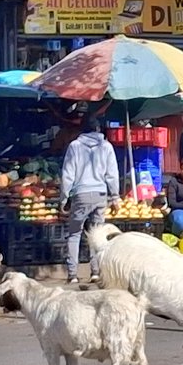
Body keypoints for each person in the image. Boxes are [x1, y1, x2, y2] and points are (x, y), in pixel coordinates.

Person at [59, 116, 120, 285]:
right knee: (96, 234)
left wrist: (64, 198)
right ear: (98, 130)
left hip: (81, 195)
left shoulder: (74, 146)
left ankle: (72, 274)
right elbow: (112, 174)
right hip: (101, 194)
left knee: (74, 234)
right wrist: (115, 197)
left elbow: (68, 175)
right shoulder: (106, 147)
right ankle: (95, 272)